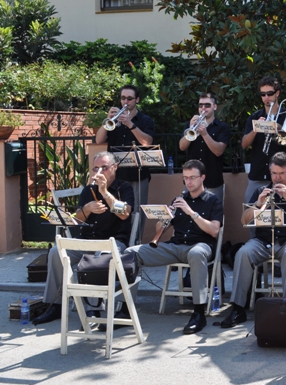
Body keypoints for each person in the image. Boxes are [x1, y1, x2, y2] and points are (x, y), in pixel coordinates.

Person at [32, 151, 135, 325]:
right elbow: (77, 220)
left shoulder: (124, 188)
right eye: (96, 168)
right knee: (56, 252)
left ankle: (94, 308)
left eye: (104, 167)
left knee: (97, 258)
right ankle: (54, 305)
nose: (99, 172)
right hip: (87, 240)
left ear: (114, 168)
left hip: (113, 242)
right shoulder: (88, 190)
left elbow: (124, 213)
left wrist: (105, 193)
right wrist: (87, 209)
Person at [126, 160, 223, 334]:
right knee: (130, 253)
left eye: (192, 177)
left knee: (196, 253)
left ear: (203, 178)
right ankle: (125, 307)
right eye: (185, 178)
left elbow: (214, 231)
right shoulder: (178, 200)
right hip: (175, 245)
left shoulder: (213, 200)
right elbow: (160, 231)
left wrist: (191, 213)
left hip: (200, 245)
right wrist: (165, 218)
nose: (189, 182)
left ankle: (199, 313)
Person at [219, 152, 286, 328]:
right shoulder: (260, 191)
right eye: (273, 173)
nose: (277, 178)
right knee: (243, 253)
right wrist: (257, 204)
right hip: (262, 241)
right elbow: (244, 220)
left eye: (281, 173)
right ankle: (238, 308)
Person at [95, 84, 155, 239]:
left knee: (136, 211)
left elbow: (147, 142)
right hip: (116, 174)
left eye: (129, 98)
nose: (125, 102)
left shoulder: (145, 120)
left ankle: (135, 243)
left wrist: (130, 124)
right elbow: (99, 139)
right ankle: (118, 240)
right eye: (123, 98)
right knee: (116, 208)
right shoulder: (114, 119)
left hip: (138, 174)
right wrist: (108, 120)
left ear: (137, 100)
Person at [241, 76, 286, 209]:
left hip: (281, 175)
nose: (266, 97)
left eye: (270, 93)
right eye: (263, 94)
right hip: (257, 174)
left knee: (282, 215)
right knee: (252, 214)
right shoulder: (255, 117)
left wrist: (280, 129)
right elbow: (244, 144)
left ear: (277, 93)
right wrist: (256, 129)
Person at [179, 92, 231, 202]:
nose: (203, 108)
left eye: (207, 105)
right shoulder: (190, 125)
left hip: (212, 180)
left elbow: (218, 151)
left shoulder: (222, 127)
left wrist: (205, 134)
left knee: (213, 215)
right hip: (191, 181)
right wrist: (191, 127)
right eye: (200, 105)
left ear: (215, 107)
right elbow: (182, 147)